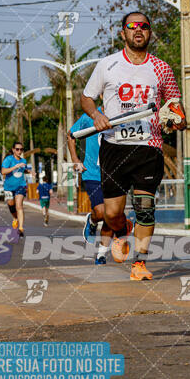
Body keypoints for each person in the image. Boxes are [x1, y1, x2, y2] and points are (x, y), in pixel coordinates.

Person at [80, 10, 186, 281]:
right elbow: (87, 98)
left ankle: (139, 264)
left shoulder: (162, 68)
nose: (138, 30)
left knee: (145, 206)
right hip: (114, 146)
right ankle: (121, 228)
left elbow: (175, 107)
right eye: (132, 26)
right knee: (112, 213)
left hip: (148, 146)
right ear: (123, 33)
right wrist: (96, 115)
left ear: (150, 32)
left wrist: (176, 120)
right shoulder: (107, 65)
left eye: (144, 26)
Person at [68, 105, 114, 265]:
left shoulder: (121, 114)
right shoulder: (89, 117)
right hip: (92, 173)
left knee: (112, 214)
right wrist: (75, 159)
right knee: (101, 212)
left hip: (114, 175)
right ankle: (93, 221)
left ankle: (101, 254)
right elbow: (71, 135)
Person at [1, 141, 33, 237]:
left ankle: (21, 228)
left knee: (19, 206)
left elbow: (23, 170)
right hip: (9, 187)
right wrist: (15, 166)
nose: (19, 151)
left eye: (21, 149)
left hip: (20, 185)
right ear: (13, 150)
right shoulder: (8, 160)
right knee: (11, 205)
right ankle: (15, 218)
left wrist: (29, 171)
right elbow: (3, 171)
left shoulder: (24, 161)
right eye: (17, 149)